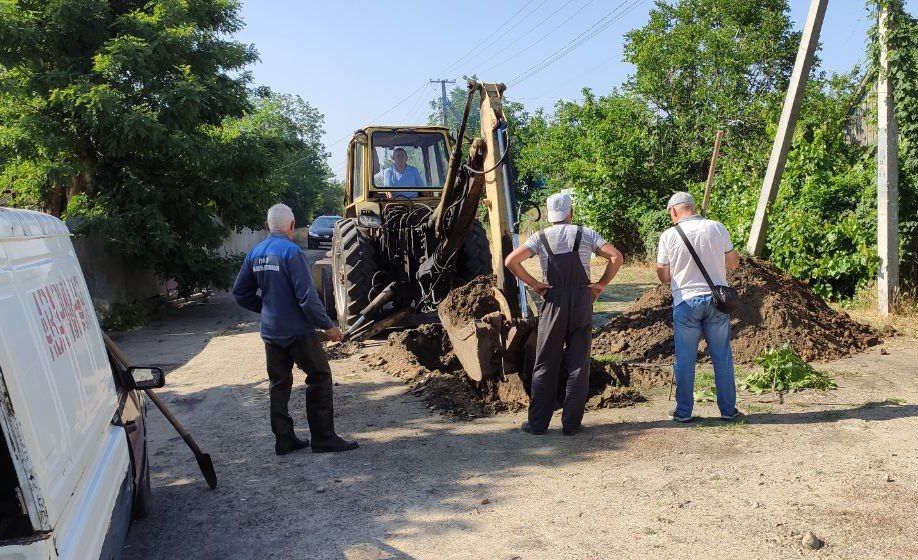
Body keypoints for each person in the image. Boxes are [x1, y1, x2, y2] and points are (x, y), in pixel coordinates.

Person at [232, 203, 358, 455]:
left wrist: (268, 307)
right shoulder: (291, 252)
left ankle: (284, 440)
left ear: (268, 225)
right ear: (291, 226)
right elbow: (307, 298)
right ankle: (323, 438)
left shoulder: (255, 252)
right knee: (319, 377)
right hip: (297, 332)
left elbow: (240, 293)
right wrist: (328, 326)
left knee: (278, 383)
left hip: (271, 332)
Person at [505, 192, 623, 435]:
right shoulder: (586, 233)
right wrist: (600, 285)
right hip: (581, 299)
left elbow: (511, 261)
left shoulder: (539, 237)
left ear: (549, 216)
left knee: (546, 362)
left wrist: (535, 285)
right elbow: (616, 257)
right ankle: (571, 424)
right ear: (571, 213)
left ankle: (537, 424)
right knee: (578, 363)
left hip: (554, 299)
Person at [655, 192, 741, 423]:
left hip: (685, 302)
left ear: (674, 211)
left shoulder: (668, 235)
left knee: (685, 359)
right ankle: (728, 411)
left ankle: (683, 412)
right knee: (722, 356)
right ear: (692, 207)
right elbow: (733, 263)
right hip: (716, 301)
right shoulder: (717, 227)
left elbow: (664, 276)